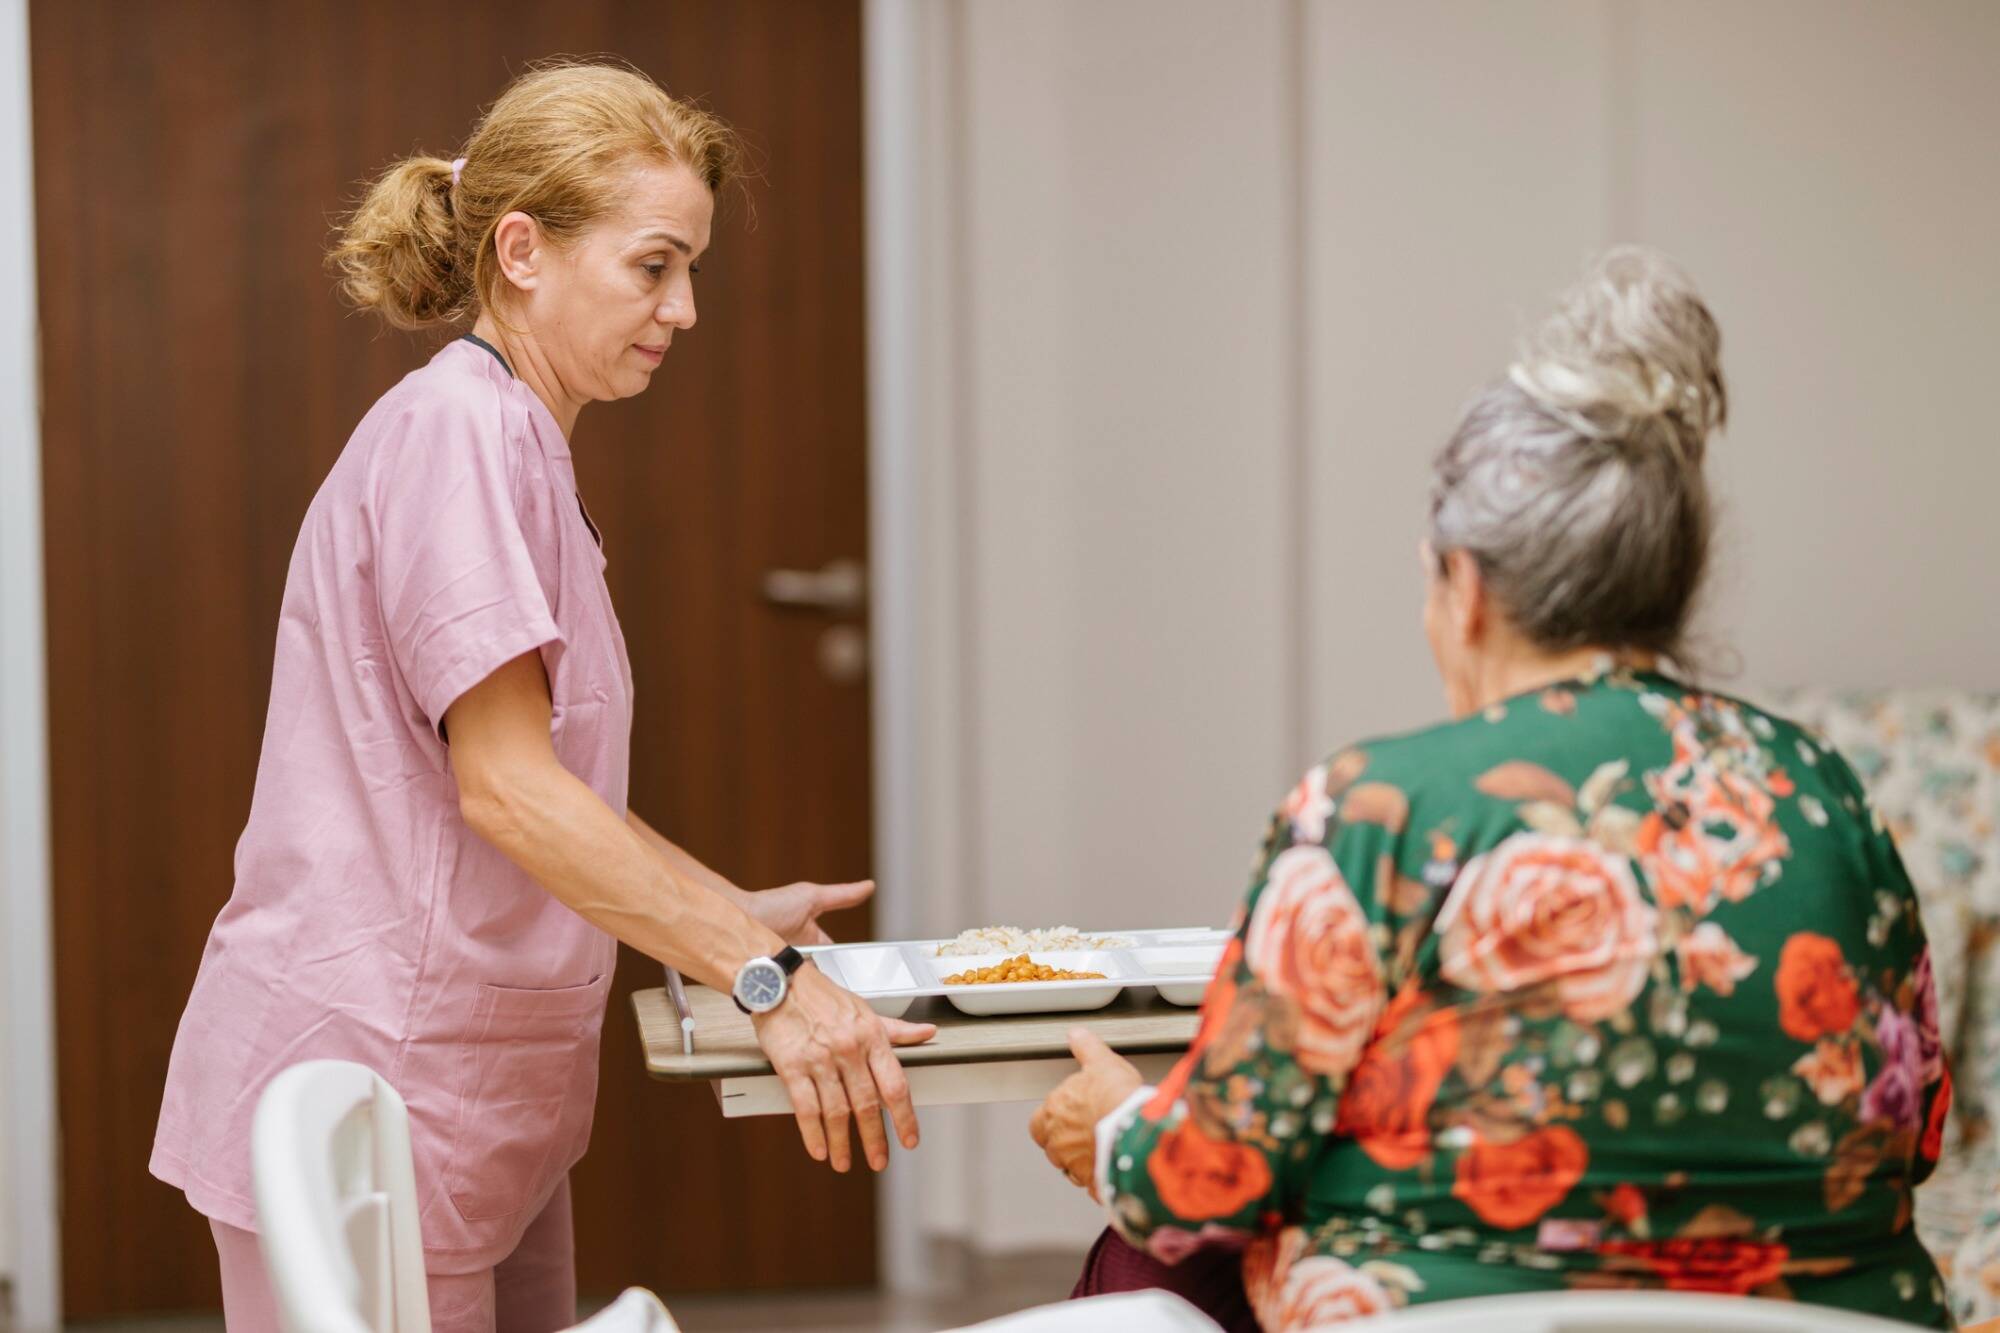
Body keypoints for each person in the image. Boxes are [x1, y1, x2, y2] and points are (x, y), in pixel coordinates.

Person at [1030, 247, 1951, 1330]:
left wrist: (1114, 1125)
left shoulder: (1373, 809)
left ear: (1462, 590)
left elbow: (1200, 1181)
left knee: (1146, 1268)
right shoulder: (1823, 798)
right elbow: (1913, 1128)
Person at [150, 60, 932, 1332]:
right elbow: (505, 789)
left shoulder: (514, 441)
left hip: (467, 1086)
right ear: (521, 250)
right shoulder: (454, 434)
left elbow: (528, 789)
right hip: (376, 1077)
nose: (682, 309)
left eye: (691, 271)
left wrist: (721, 909)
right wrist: (765, 976)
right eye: (652, 265)